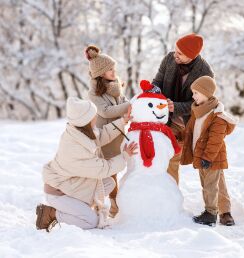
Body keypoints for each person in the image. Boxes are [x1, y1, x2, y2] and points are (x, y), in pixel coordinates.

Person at [35, 97, 137, 232]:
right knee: (91, 221)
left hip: (74, 185)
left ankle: (81, 208)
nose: (96, 117)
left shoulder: (81, 132)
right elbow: (102, 169)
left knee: (108, 183)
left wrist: (123, 121)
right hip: (59, 193)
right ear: (85, 120)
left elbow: (101, 136)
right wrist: (124, 156)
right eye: (93, 116)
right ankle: (51, 213)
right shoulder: (74, 150)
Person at [152, 33, 214, 185]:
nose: (175, 55)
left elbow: (202, 105)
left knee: (206, 166)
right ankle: (168, 196)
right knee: (168, 157)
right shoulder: (169, 59)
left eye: (180, 53)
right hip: (168, 120)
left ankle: (214, 204)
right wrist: (152, 92)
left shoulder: (205, 72)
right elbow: (157, 82)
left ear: (192, 56)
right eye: (175, 49)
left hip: (189, 123)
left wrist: (176, 107)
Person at [180, 76, 237, 226]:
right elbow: (191, 131)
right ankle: (224, 212)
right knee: (217, 184)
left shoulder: (217, 116)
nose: (193, 96)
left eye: (196, 93)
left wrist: (207, 157)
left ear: (206, 93)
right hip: (203, 156)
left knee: (209, 186)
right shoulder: (198, 111)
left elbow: (215, 141)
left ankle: (211, 213)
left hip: (211, 157)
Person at [86, 45, 131, 218]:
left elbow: (124, 101)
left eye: (114, 68)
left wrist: (130, 104)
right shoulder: (94, 93)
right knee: (109, 171)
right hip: (105, 135)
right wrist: (129, 105)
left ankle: (115, 203)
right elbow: (106, 112)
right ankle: (111, 205)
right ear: (100, 73)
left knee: (116, 169)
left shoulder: (115, 86)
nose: (114, 72)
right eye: (110, 69)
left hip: (119, 133)